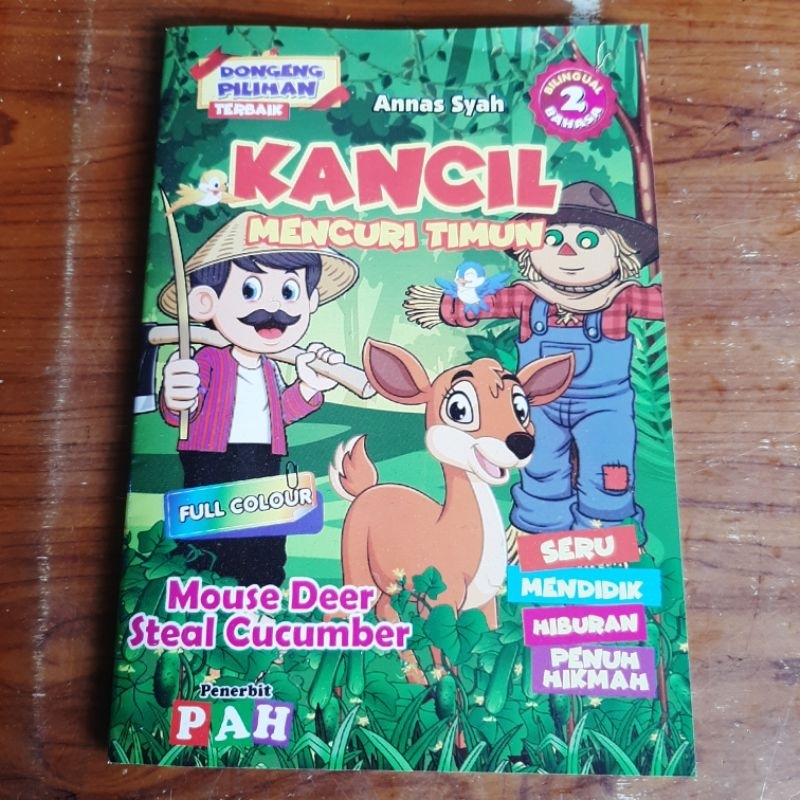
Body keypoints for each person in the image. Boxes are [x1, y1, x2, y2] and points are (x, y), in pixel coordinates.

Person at [407, 182, 662, 544]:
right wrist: (446, 306)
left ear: (620, 253)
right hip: (538, 406)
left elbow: (668, 304)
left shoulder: (621, 299)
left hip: (606, 407)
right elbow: (485, 303)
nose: (568, 251)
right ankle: (538, 535)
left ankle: (609, 542)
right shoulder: (528, 297)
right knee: (541, 470)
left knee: (610, 471)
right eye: (552, 239)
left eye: (588, 240)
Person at [158, 211, 358, 585]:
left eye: (289, 292)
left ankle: (263, 591)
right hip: (212, 457)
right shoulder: (209, 359)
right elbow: (185, 408)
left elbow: (280, 412)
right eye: (249, 290)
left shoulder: (269, 367)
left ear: (310, 301)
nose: (274, 309)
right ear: (205, 302)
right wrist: (177, 396)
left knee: (264, 534)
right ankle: (206, 592)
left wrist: (309, 386)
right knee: (212, 537)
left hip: (264, 456)